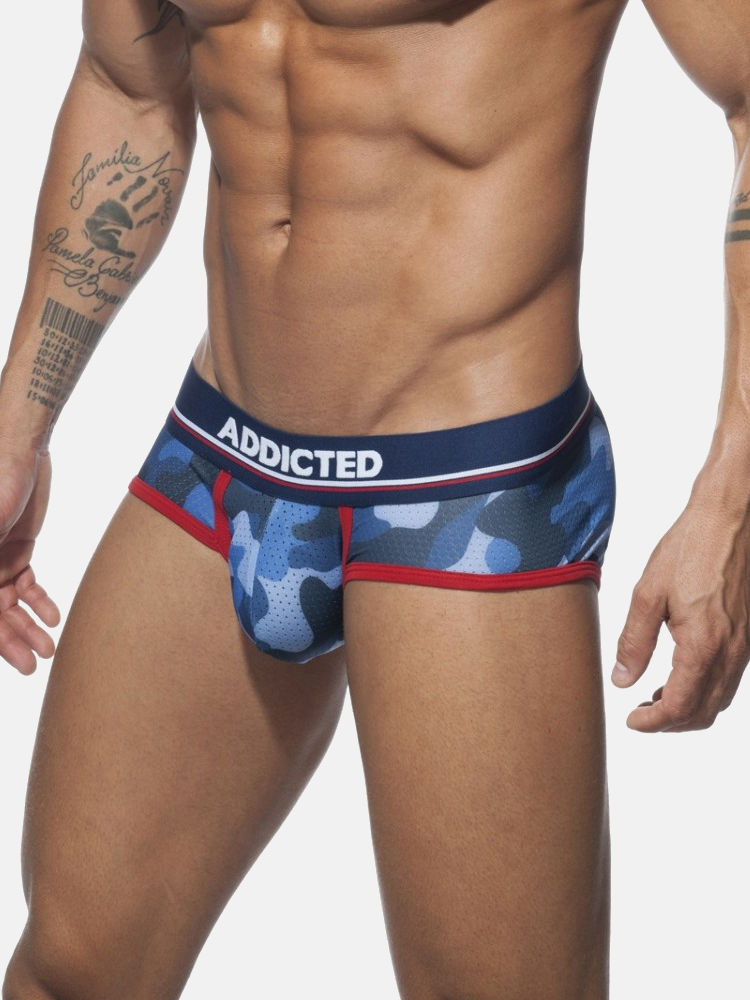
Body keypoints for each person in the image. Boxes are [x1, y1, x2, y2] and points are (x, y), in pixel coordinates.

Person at [1, 0, 749, 997]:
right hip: (222, 458)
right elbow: (127, 86)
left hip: (467, 492)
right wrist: (18, 429)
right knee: (68, 970)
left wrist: (731, 498)